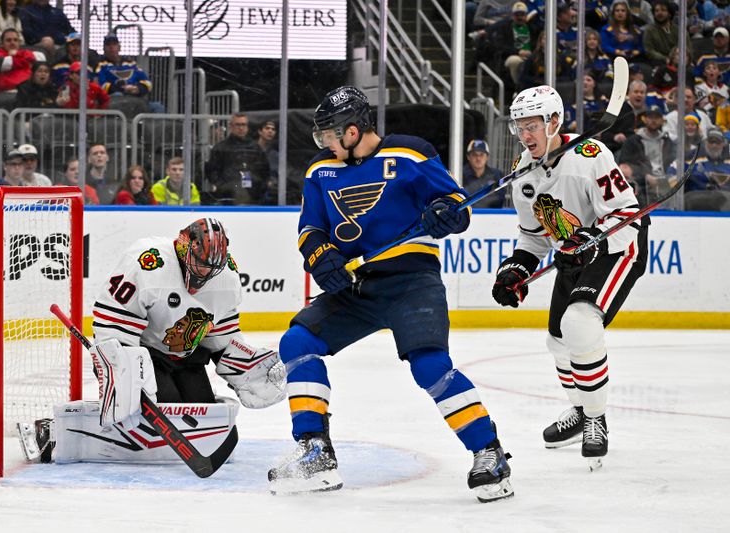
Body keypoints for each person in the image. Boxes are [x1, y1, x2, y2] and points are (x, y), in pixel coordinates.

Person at [266, 86, 513, 502]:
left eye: (329, 134)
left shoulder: (411, 154)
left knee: (431, 366)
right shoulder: (319, 171)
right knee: (297, 342)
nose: (324, 142)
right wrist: (321, 255)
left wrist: (445, 214)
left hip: (411, 280)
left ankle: (489, 452)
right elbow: (310, 229)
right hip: (357, 285)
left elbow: (457, 206)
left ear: (353, 129)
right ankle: (315, 451)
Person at [18, 218, 286, 465]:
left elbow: (220, 337)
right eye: (200, 262)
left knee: (202, 413)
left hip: (186, 357)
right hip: (145, 354)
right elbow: (113, 324)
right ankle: (52, 430)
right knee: (148, 410)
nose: (204, 273)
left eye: (211, 267)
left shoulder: (227, 278)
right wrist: (122, 373)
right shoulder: (147, 262)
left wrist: (242, 367)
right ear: (183, 247)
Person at [492, 85, 649, 471]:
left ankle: (596, 418)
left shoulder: (589, 156)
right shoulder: (523, 174)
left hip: (617, 245)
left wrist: (592, 238)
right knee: (557, 340)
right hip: (573, 252)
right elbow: (533, 237)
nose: (525, 136)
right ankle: (581, 411)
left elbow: (626, 212)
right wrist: (516, 268)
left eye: (532, 125)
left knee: (579, 324)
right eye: (519, 127)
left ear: (554, 122)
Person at [204, 113, 270, 205]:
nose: (241, 128)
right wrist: (222, 186)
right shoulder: (221, 148)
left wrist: (260, 185)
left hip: (254, 195)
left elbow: (264, 169)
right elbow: (212, 171)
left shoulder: (254, 147)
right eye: (238, 125)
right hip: (228, 196)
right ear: (231, 126)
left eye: (243, 125)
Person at [617, 104, 675, 203]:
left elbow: (674, 161)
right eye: (650, 117)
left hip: (665, 180)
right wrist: (645, 176)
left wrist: (668, 176)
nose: (653, 120)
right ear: (645, 119)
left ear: (662, 120)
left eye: (657, 118)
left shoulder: (667, 141)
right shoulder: (633, 141)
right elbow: (625, 165)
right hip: (640, 181)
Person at [95, 34, 152, 99]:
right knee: (118, 95)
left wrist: (138, 89)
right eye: (108, 45)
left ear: (119, 47)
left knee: (157, 107)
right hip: (113, 99)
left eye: (114, 44)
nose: (111, 47)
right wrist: (122, 89)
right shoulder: (100, 65)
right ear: (104, 49)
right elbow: (101, 84)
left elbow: (147, 82)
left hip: (134, 97)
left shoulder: (131, 64)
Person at [0, 29, 43, 95]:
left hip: (30, 90)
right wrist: (26, 61)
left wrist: (18, 54)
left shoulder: (22, 53)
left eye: (15, 40)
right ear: (2, 44)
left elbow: (41, 57)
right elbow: (2, 64)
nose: (12, 43)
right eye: (8, 40)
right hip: (8, 93)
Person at [462, 139, 506, 208]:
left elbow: (500, 200)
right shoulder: (460, 174)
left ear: (487, 157)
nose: (478, 158)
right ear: (468, 157)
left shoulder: (496, 175)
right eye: (474, 155)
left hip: (490, 216)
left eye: (481, 155)